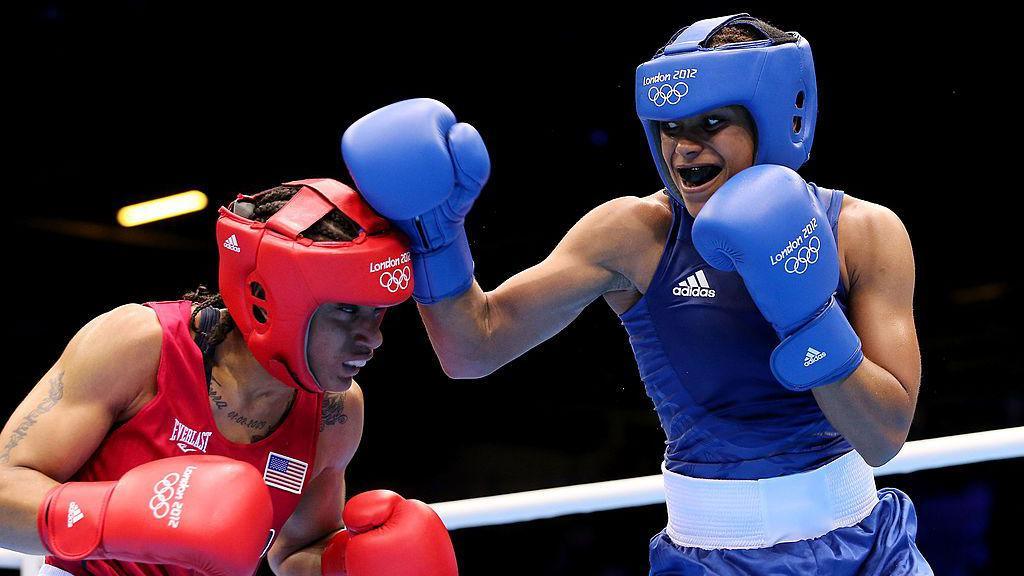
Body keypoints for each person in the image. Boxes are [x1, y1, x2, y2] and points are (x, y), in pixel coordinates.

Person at [340, 13, 933, 575]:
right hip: (713, 555)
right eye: (670, 127)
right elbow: (473, 349)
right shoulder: (636, 234)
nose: (684, 148)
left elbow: (883, 437)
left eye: (710, 123)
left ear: (774, 118)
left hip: (866, 547)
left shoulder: (862, 232)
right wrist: (437, 239)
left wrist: (807, 314)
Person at [0, 178, 457, 576]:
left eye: (377, 314)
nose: (371, 339)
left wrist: (352, 564)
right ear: (272, 298)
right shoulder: (141, 344)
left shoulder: (336, 411)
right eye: (345, 310)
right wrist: (113, 519)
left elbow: (296, 551)